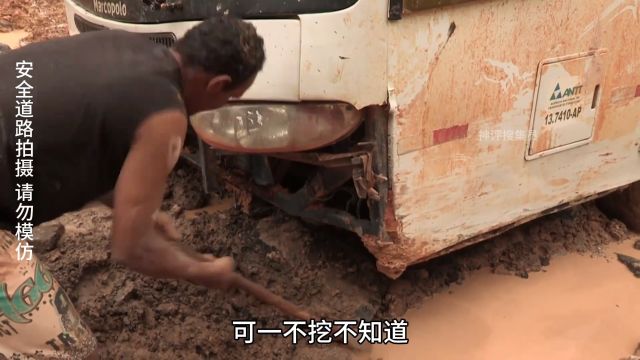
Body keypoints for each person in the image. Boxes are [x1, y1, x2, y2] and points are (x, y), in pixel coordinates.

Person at [0, 15, 265, 359]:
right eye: (231, 98)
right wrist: (201, 271)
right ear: (218, 85)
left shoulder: (124, 47)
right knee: (73, 350)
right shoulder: (165, 117)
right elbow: (130, 249)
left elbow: (71, 138)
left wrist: (135, 208)